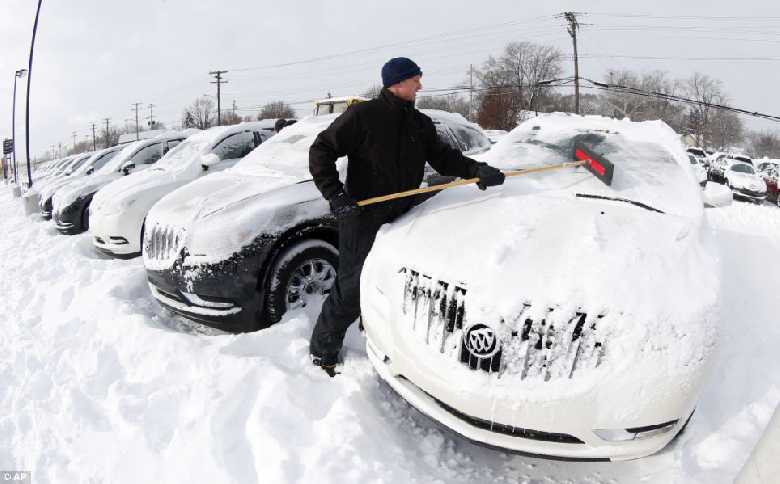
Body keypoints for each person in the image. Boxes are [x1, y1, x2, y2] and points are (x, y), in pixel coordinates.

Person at [308, 57, 505, 376]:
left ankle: (374, 331)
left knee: (391, 280)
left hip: (404, 212)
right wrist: (336, 196)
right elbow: (321, 151)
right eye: (415, 80)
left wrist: (475, 169)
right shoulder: (363, 116)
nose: (420, 85)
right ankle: (323, 352)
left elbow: (443, 157)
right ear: (397, 83)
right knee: (352, 287)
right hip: (362, 214)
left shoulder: (419, 123)